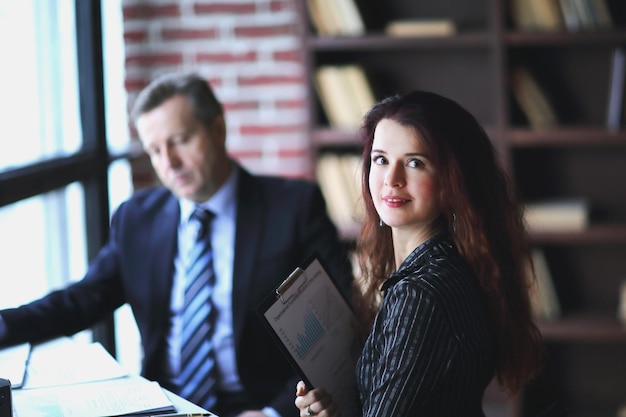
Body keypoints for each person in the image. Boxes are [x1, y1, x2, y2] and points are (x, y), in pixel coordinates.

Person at [0, 72, 352, 417]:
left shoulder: (294, 208)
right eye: (155, 150)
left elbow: (337, 329)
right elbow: (81, 300)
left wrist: (275, 412)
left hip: (259, 405)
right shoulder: (136, 218)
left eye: (180, 140)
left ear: (218, 130)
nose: (168, 163)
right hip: (165, 405)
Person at [294, 91, 545, 417]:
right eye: (381, 159)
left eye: (415, 163)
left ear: (450, 179)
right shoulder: (454, 259)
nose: (392, 180)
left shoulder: (421, 293)